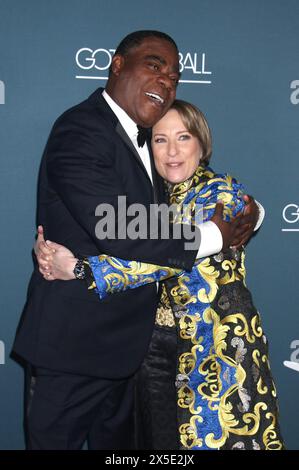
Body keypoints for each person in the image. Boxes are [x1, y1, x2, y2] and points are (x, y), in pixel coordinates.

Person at [14, 30, 260, 450]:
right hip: (73, 352)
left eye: (175, 76)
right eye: (154, 65)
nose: (166, 80)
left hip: (133, 356)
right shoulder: (81, 128)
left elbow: (212, 195)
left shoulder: (144, 139)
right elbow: (118, 226)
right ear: (117, 65)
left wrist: (251, 214)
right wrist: (215, 235)